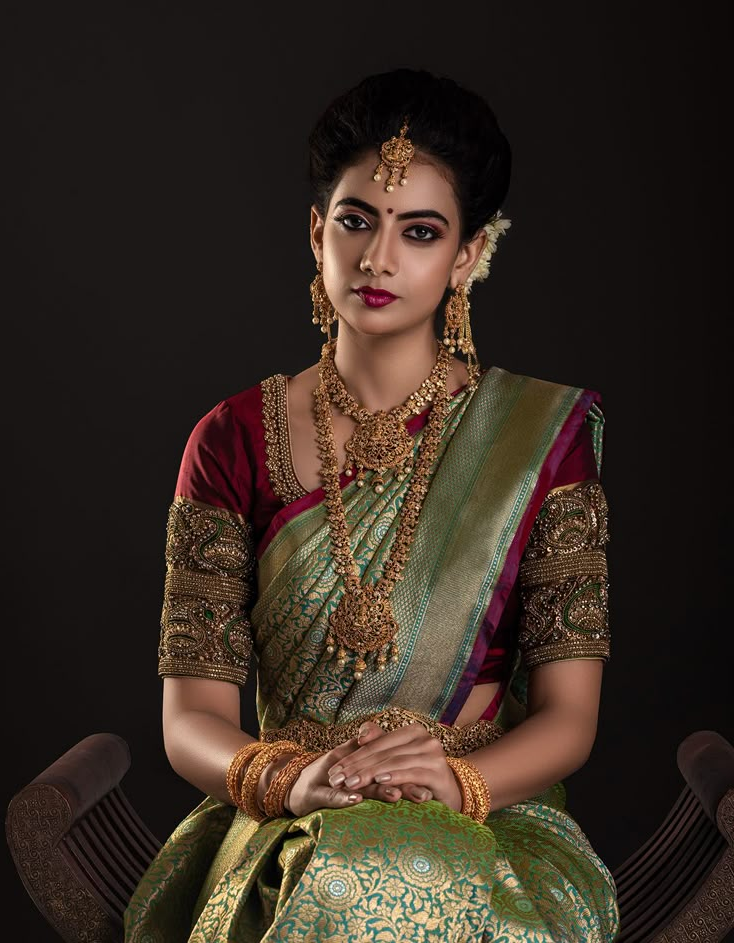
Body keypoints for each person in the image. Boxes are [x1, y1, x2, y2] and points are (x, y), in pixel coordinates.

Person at [124, 68, 620, 942]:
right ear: (318, 231)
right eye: (356, 220)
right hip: (288, 819)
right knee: (334, 876)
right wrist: (294, 780)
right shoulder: (232, 438)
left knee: (397, 882)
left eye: (420, 231)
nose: (378, 257)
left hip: (486, 821)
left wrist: (455, 782)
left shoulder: (538, 438)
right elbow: (192, 721)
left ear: (467, 255)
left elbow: (569, 717)